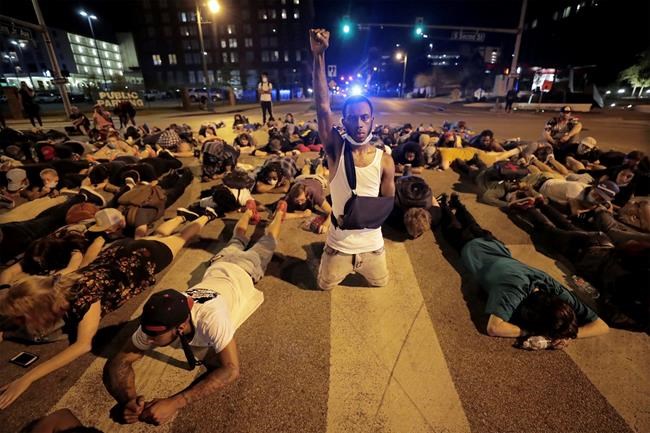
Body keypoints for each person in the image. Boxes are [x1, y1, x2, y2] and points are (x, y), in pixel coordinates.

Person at [0, 208, 216, 409]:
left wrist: (26, 378)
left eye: (23, 319)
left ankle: (206, 215)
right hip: (117, 252)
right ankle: (181, 217)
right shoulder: (56, 283)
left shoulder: (85, 298)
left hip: (143, 258)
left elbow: (83, 345)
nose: (22, 322)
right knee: (160, 236)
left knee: (180, 239)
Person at [103, 202, 288, 426]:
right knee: (237, 238)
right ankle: (249, 212)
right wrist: (130, 401)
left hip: (246, 269)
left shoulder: (211, 317)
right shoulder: (158, 319)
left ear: (180, 327)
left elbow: (231, 369)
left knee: (268, 239)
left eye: (154, 335)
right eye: (148, 332)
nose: (148, 338)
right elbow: (120, 361)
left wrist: (175, 402)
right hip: (219, 264)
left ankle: (278, 213)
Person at [438, 193, 609, 343]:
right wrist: (538, 333)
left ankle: (456, 203)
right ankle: (445, 206)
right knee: (452, 227)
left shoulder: (551, 286)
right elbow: (494, 328)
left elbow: (602, 326)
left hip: (496, 247)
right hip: (472, 250)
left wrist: (567, 335)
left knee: (472, 224)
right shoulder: (512, 293)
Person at [311, 28, 395, 291]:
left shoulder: (386, 161)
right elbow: (323, 108)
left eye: (364, 117)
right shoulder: (337, 149)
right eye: (353, 118)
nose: (359, 123)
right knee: (324, 285)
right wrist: (319, 56)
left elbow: (386, 205)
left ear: (372, 120)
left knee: (382, 284)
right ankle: (324, 257)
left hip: (374, 250)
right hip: (338, 248)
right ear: (344, 121)